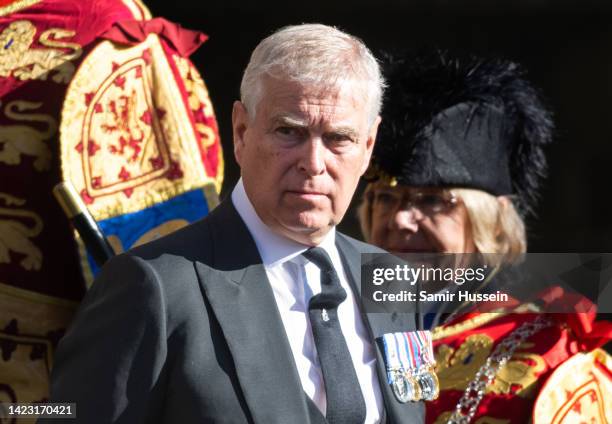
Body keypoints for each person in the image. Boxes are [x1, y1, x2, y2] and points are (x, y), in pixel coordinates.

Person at [44, 24, 426, 424]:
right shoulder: (153, 286)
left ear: (368, 147)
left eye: (338, 138)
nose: (314, 163)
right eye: (289, 131)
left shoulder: (391, 278)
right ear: (241, 131)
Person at [358, 50, 612, 423]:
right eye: (385, 198)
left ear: (490, 224)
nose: (401, 219)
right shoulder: (329, 325)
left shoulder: (554, 350)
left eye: (432, 201)